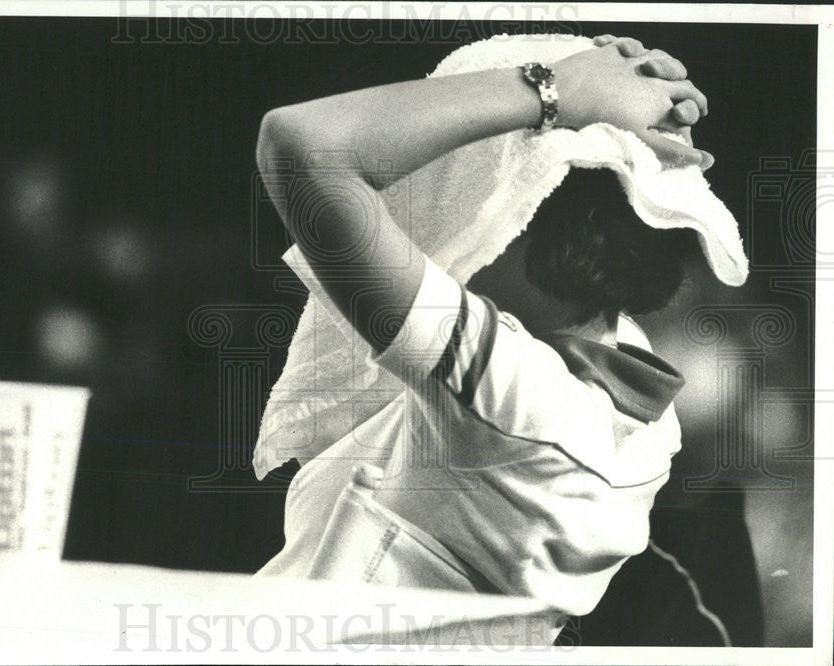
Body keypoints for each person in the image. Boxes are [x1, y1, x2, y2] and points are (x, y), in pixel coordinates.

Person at [252, 33, 749, 638]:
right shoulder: (615, 378)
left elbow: (302, 145)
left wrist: (558, 90)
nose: (425, 224)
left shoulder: (514, 398)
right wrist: (638, 119)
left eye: (458, 190)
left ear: (524, 215)